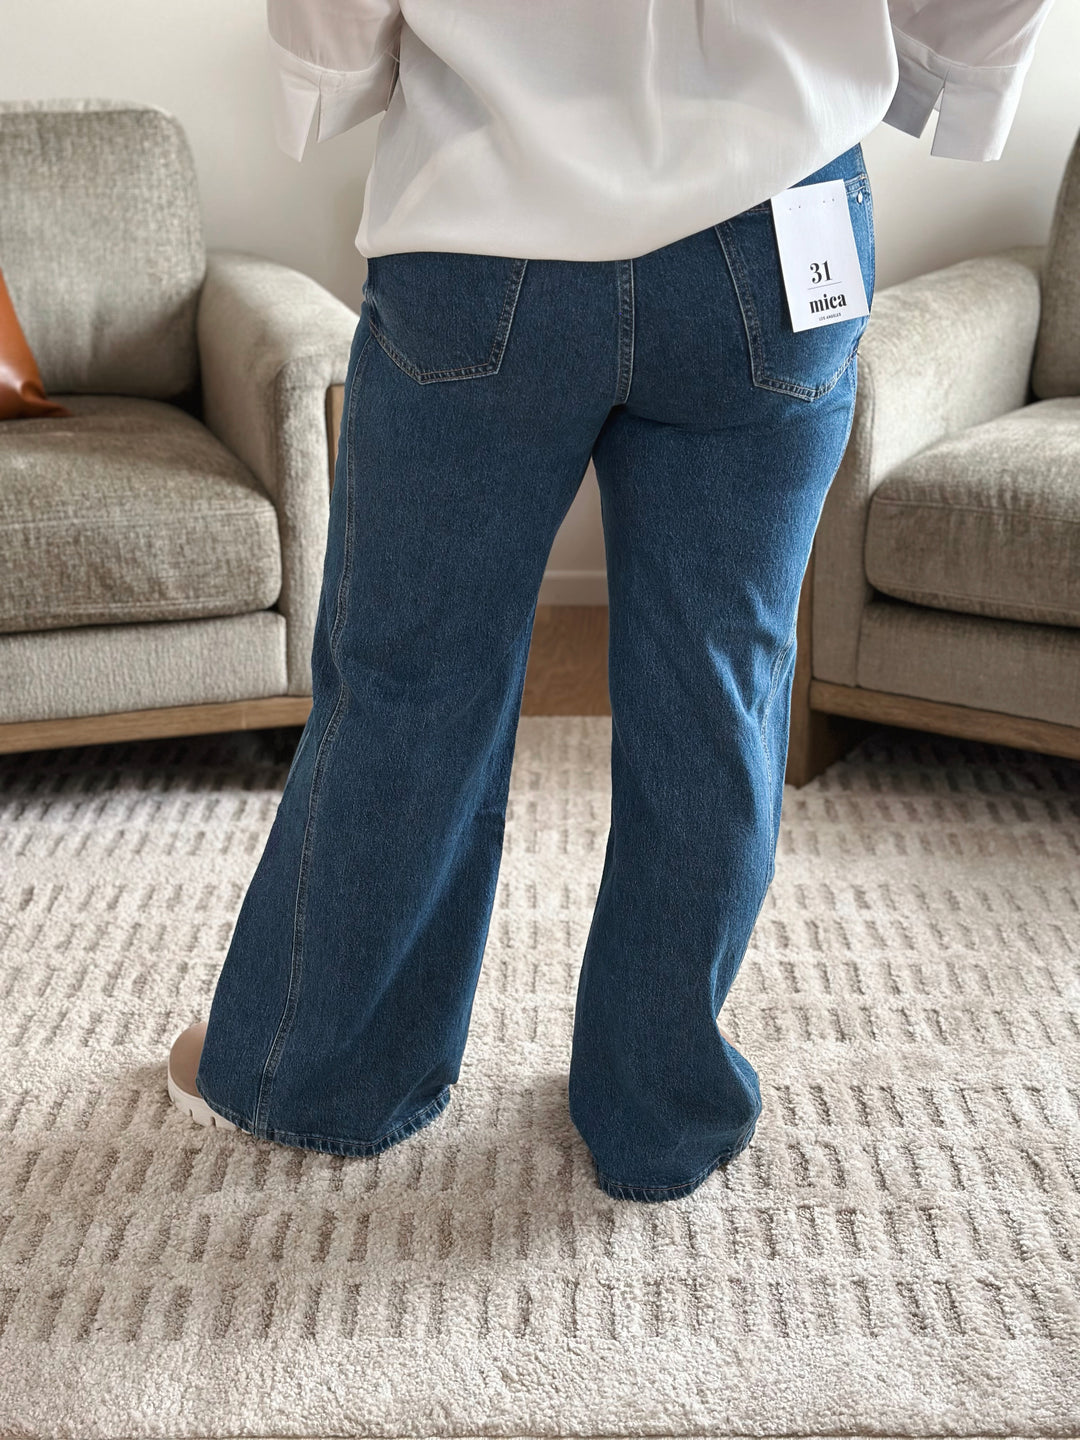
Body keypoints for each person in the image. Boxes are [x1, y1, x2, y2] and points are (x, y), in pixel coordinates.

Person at [168, 0, 1055, 1203]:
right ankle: (659, 1107)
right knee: (718, 690)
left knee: (410, 679)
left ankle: (324, 1076)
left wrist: (331, 73)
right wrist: (945, 75)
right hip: (779, 221)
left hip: (486, 205)